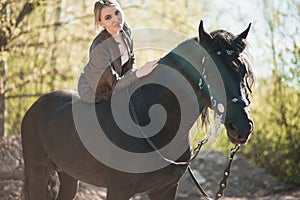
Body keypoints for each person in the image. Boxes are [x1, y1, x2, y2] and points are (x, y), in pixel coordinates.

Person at [78, 0, 159, 103]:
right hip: (94, 90)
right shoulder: (99, 48)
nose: (116, 19)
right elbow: (115, 85)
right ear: (101, 23)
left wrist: (132, 75)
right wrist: (139, 73)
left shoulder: (125, 29)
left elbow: (131, 58)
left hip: (116, 81)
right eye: (108, 17)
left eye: (117, 13)